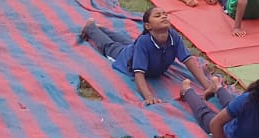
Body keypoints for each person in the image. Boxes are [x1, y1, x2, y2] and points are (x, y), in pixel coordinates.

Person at [80, 7, 215, 105]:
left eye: (165, 14)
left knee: (128, 42)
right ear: (148, 26)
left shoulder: (174, 37)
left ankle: (101, 28)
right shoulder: (144, 42)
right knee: (110, 47)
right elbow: (139, 73)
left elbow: (188, 60)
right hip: (125, 57)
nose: (164, 16)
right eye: (158, 15)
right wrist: (148, 96)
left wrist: (206, 85)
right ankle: (91, 28)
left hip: (135, 48)